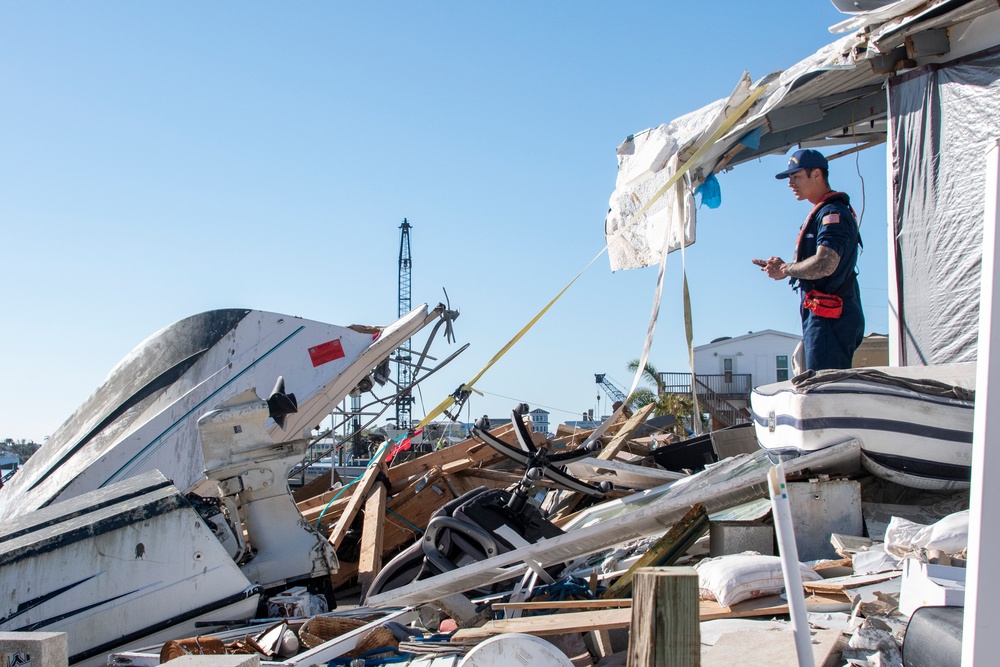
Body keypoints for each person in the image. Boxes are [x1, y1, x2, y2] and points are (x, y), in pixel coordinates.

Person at [753, 149, 864, 372]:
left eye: (796, 176)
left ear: (817, 174)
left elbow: (825, 263)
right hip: (824, 315)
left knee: (827, 392)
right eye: (789, 178)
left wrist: (786, 269)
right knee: (820, 388)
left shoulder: (833, 213)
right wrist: (788, 268)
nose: (790, 183)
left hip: (831, 318)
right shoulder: (824, 212)